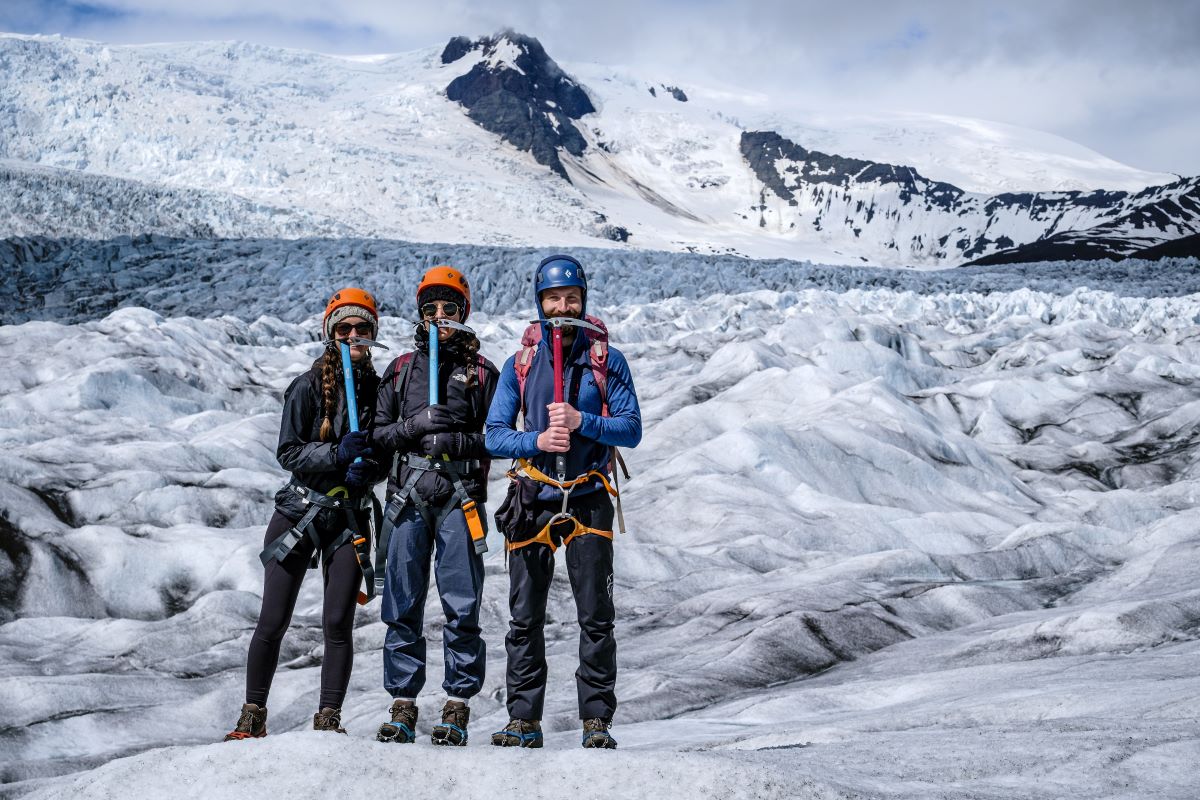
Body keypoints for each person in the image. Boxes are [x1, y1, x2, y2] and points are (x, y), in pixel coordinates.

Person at [485, 254, 642, 749]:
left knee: (596, 615)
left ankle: (596, 720)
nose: (562, 306)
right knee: (524, 617)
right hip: (532, 496)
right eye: (553, 298)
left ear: (583, 300)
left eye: (571, 298)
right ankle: (523, 719)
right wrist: (536, 442)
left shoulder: (605, 360)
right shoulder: (521, 364)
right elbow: (493, 435)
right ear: (540, 302)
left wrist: (581, 423)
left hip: (590, 494)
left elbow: (632, 429)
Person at [224, 287, 383, 740]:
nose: (354, 334)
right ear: (330, 333)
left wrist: (371, 468)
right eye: (345, 327)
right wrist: (336, 454)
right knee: (273, 620)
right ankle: (251, 716)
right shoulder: (308, 386)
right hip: (301, 513)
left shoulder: (379, 389)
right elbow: (289, 452)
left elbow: (387, 450)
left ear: (373, 334)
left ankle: (329, 719)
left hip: (348, 518)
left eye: (362, 327)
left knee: (337, 623)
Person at [372, 266, 499, 746]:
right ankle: (403, 703)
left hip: (458, 498)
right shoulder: (402, 370)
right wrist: (412, 428)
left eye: (450, 309)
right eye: (432, 309)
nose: (440, 316)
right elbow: (378, 435)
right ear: (420, 314)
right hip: (407, 497)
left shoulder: (483, 374)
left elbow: (500, 435)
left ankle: (458, 703)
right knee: (401, 602)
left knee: (461, 604)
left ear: (463, 313)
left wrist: (458, 440)